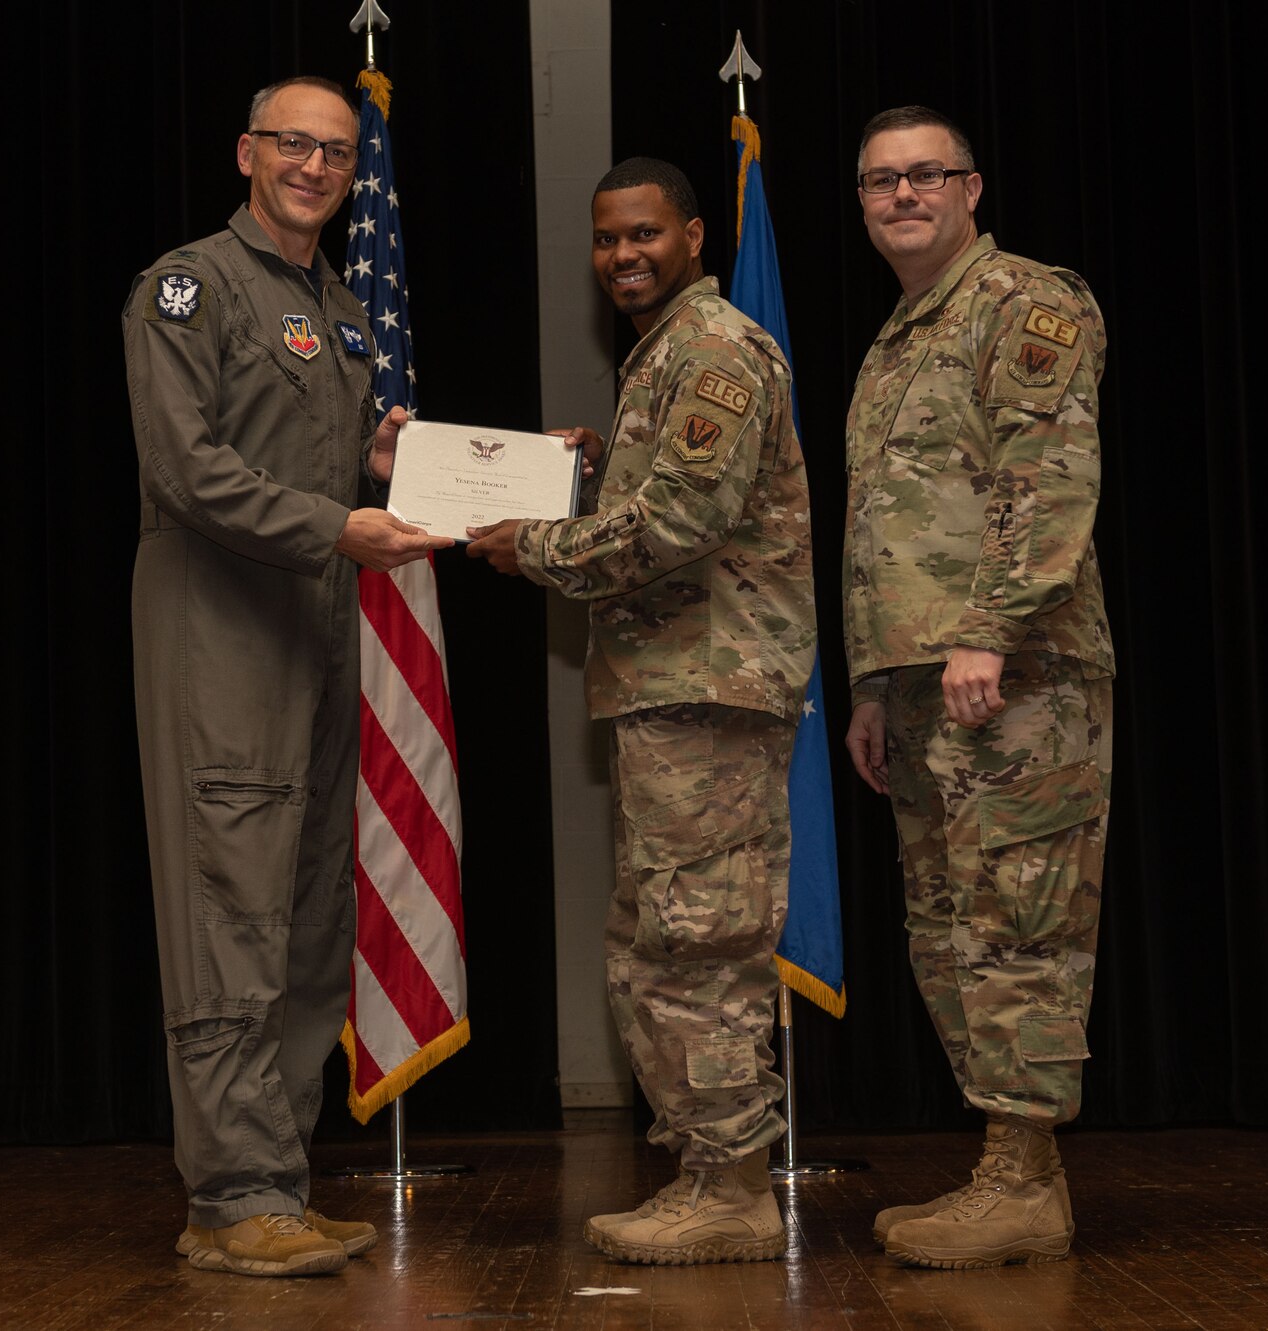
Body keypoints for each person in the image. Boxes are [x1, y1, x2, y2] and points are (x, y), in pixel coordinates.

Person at [122, 74, 449, 1279]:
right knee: (230, 914)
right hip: (220, 630)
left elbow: (347, 454)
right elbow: (186, 466)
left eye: (337, 153)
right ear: (247, 151)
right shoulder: (188, 285)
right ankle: (226, 1194)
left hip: (319, 629)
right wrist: (338, 522)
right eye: (294, 146)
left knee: (312, 917)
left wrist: (479, 468)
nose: (315, 167)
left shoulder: (345, 313)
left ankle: (277, 1178)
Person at [467, 158, 815, 1265]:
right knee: (661, 937)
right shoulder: (662, 355)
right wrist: (594, 465)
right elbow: (668, 497)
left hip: (706, 693)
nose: (622, 255)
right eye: (606, 239)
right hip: (676, 689)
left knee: (697, 941)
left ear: (696, 236)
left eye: (645, 235)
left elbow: (678, 524)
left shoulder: (710, 350)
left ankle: (730, 1191)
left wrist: (527, 543)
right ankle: (708, 1175)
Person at [840, 106, 1117, 1270]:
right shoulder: (900, 334)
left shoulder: (1023, 303)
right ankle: (1014, 1174)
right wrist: (868, 683)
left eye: (923, 176)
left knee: (1017, 921)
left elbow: (1047, 477)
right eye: (877, 182)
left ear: (970, 188)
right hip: (920, 683)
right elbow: (884, 530)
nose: (900, 196)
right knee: (946, 929)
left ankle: (1018, 1178)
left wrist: (991, 632)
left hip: (1018, 675)